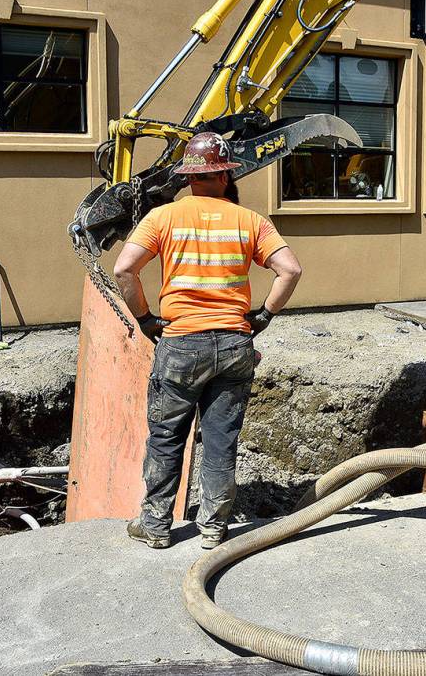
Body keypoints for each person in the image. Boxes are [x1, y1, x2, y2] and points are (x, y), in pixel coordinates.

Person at [113, 132, 303, 550]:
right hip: (235, 345)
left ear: (188, 176)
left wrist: (146, 320)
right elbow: (290, 270)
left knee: (166, 437)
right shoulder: (251, 221)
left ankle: (157, 527)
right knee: (220, 439)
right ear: (227, 174)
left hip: (180, 343)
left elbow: (125, 270)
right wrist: (264, 317)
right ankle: (213, 528)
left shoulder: (163, 218)